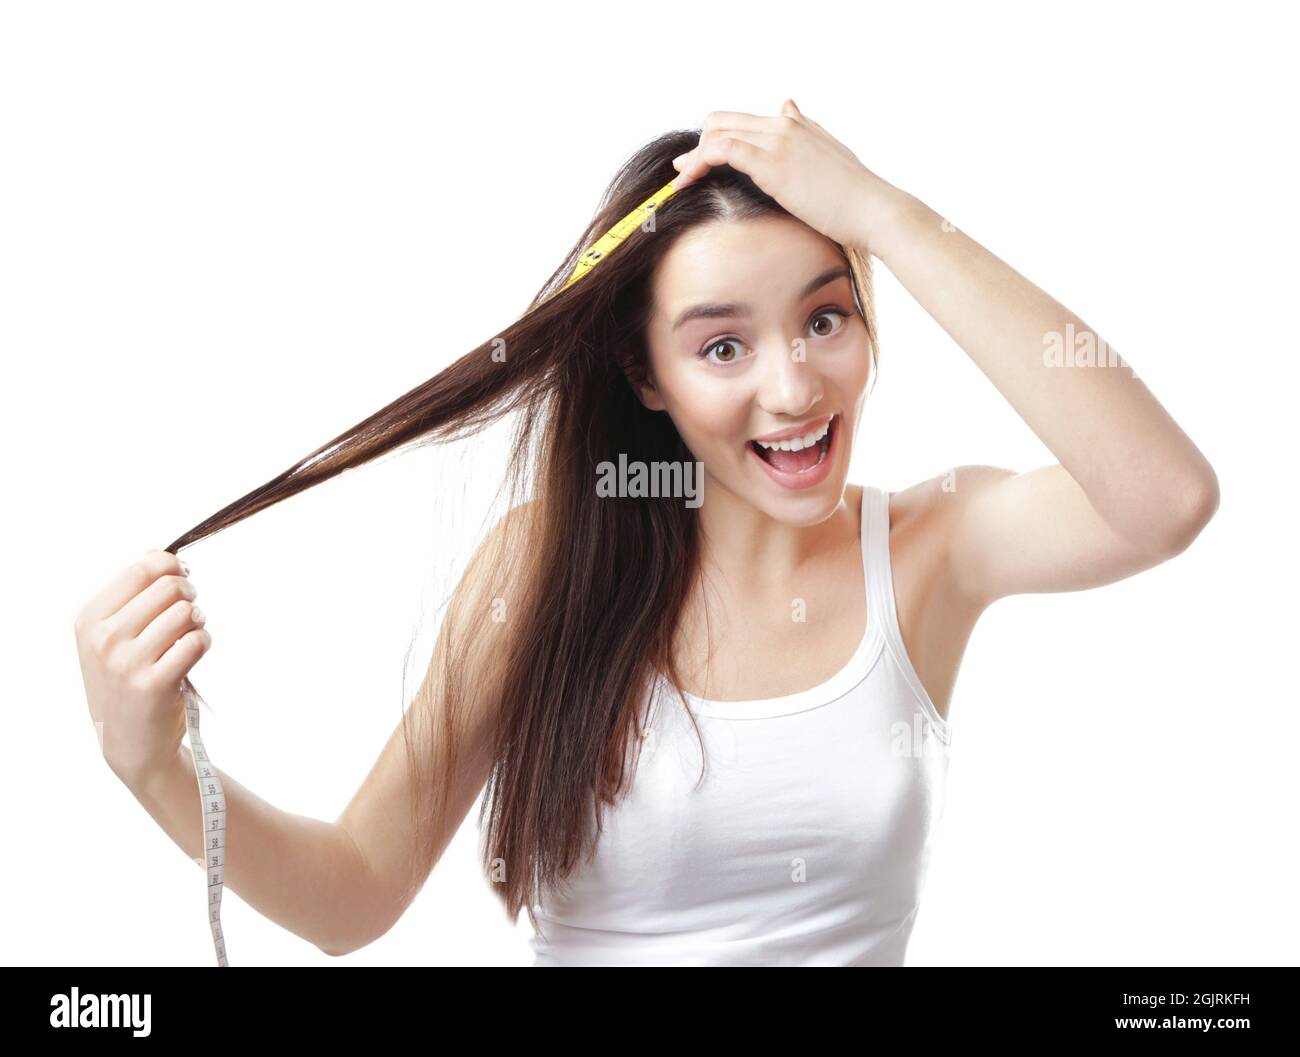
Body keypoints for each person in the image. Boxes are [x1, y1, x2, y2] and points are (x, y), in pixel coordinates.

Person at [72, 100, 1219, 966]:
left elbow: (1163, 498)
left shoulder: (931, 545)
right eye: (723, 345)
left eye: (826, 316)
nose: (795, 387)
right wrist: (156, 768)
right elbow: (355, 892)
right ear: (646, 374)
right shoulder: (544, 565)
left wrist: (884, 214)